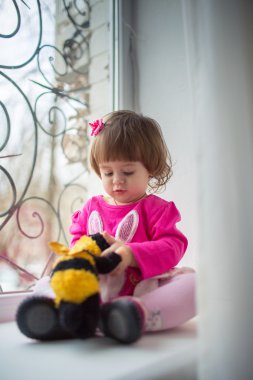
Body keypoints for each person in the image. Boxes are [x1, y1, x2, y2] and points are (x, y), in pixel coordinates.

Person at [69, 110, 196, 344]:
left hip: (144, 290)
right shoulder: (91, 208)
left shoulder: (157, 209)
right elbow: (75, 243)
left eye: (127, 171)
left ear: (150, 168)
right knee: (47, 281)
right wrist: (87, 254)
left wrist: (131, 253)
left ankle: (137, 315)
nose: (117, 179)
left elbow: (173, 246)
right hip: (96, 289)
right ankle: (68, 312)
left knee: (195, 284)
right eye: (107, 172)